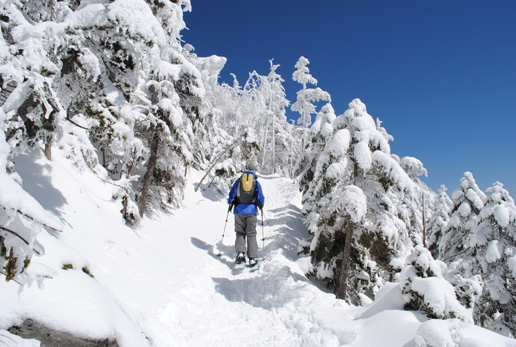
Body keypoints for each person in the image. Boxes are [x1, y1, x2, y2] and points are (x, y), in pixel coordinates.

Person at [227, 164, 265, 267]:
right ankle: (252, 258)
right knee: (251, 233)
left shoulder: (239, 181)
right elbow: (261, 197)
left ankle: (240, 255)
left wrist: (231, 202)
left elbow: (231, 195)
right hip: (251, 211)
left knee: (240, 232)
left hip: (239, 211)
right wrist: (260, 205)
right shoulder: (256, 182)